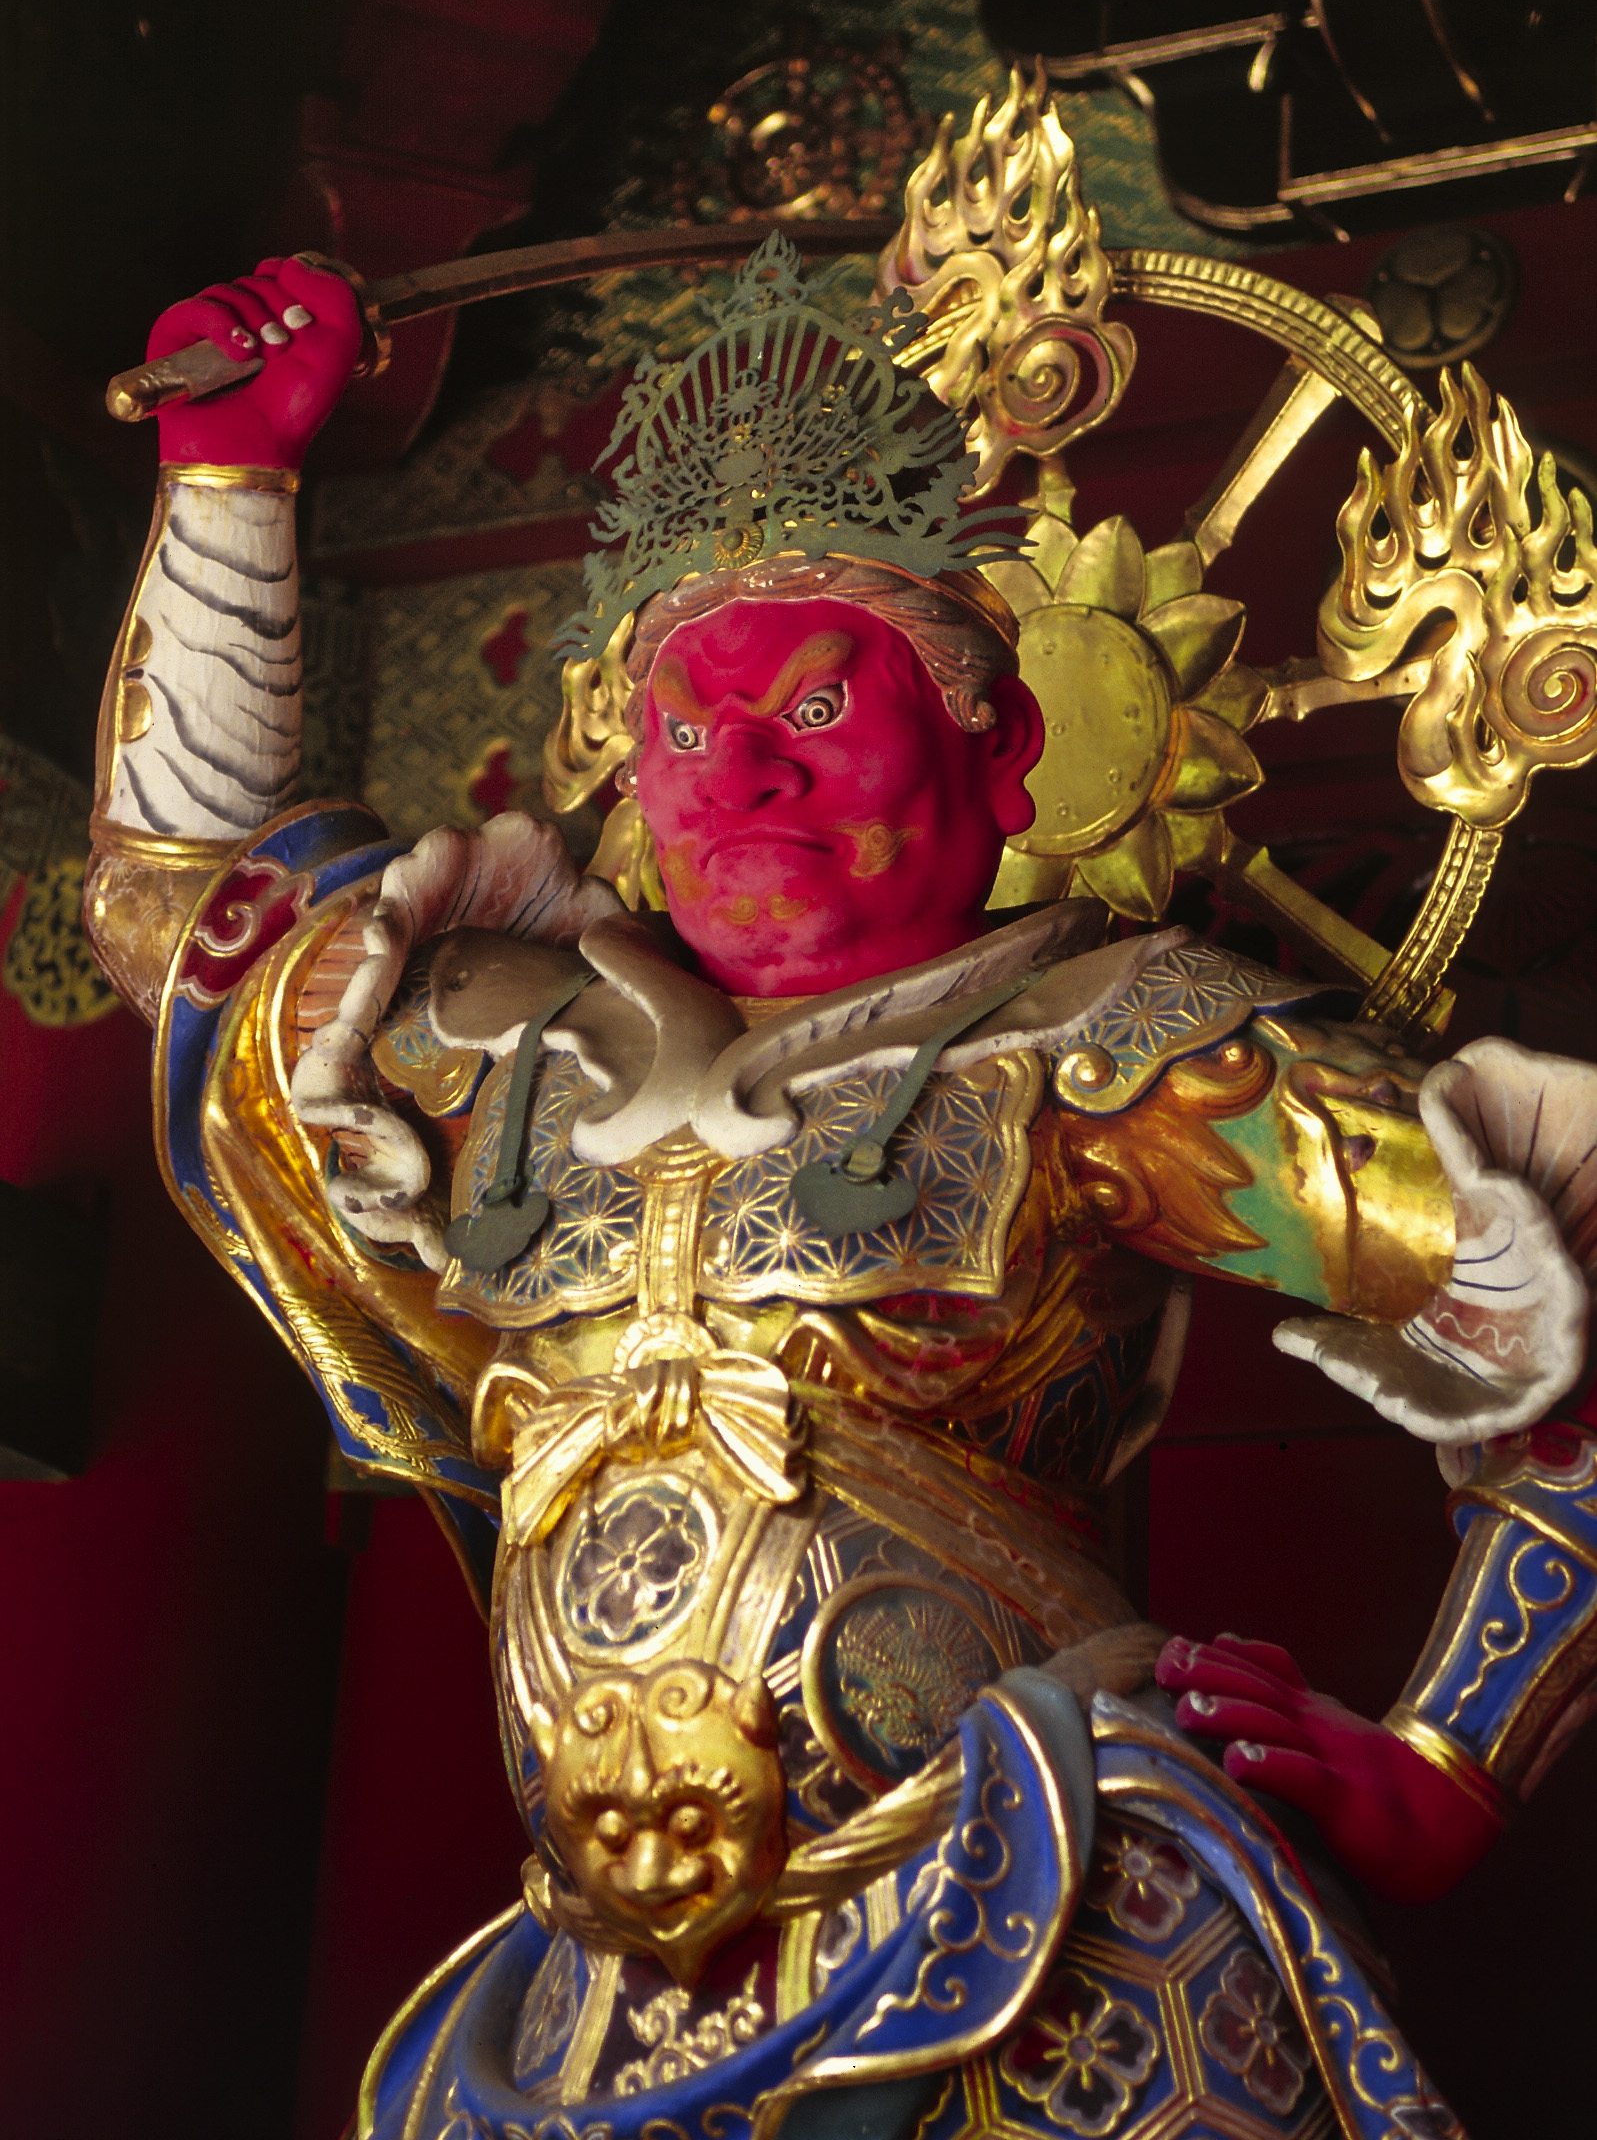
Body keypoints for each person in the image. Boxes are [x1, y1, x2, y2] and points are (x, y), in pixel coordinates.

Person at [85, 237, 1597, 2140]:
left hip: (1046, 1930)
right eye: (689, 736)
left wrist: (1455, 1753)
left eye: (813, 717)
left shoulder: (1113, 1049)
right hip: (597, 1998)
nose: (743, 785)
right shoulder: (496, 1054)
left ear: (1006, 749)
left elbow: (1568, 1294)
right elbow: (178, 917)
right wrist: (229, 488)